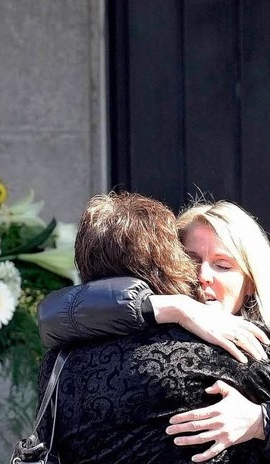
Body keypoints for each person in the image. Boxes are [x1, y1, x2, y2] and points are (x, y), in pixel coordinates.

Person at [37, 193, 270, 463]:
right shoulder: (210, 347)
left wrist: (259, 420)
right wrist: (177, 307)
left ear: (252, 280)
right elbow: (55, 314)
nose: (204, 276)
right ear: (174, 265)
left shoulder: (253, 345)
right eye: (192, 261)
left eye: (222, 265)